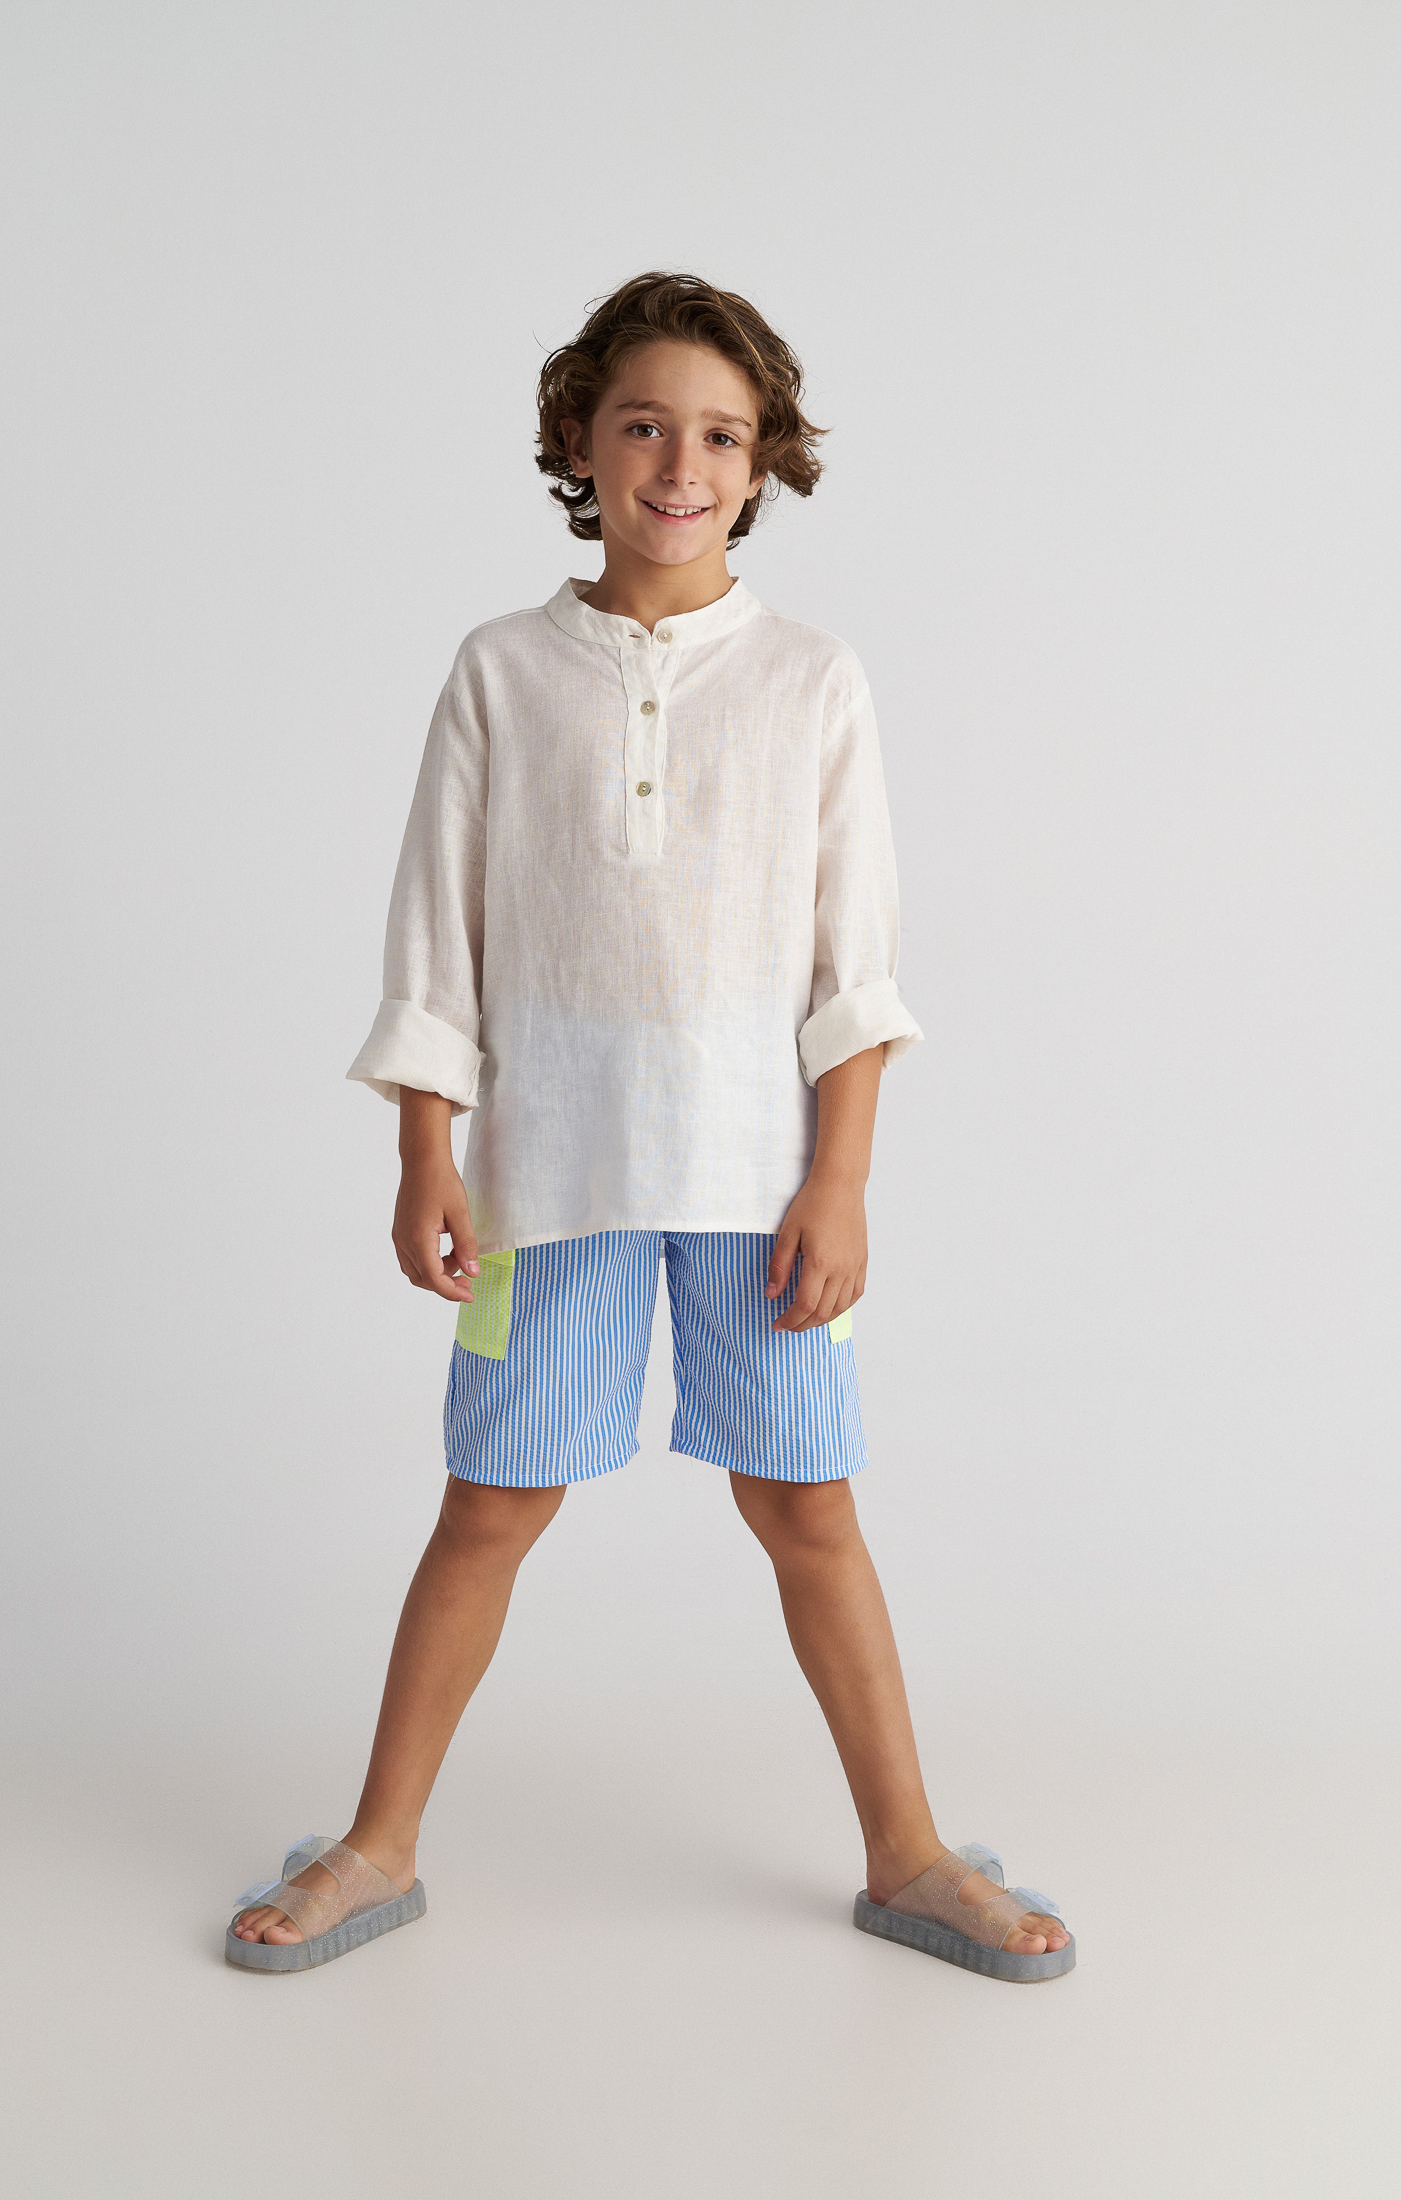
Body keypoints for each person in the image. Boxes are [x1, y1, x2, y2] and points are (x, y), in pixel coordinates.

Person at [226, 272, 1074, 1982]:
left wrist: (841, 1181)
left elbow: (854, 968)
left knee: (809, 1508)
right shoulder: (500, 672)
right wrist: (425, 1149)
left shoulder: (812, 681)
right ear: (579, 441)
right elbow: (435, 940)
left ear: (763, 466)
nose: (681, 465)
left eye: (721, 436)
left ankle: (911, 1855)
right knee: (489, 1504)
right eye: (644, 425)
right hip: (543, 1190)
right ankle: (375, 1847)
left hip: (762, 1189)